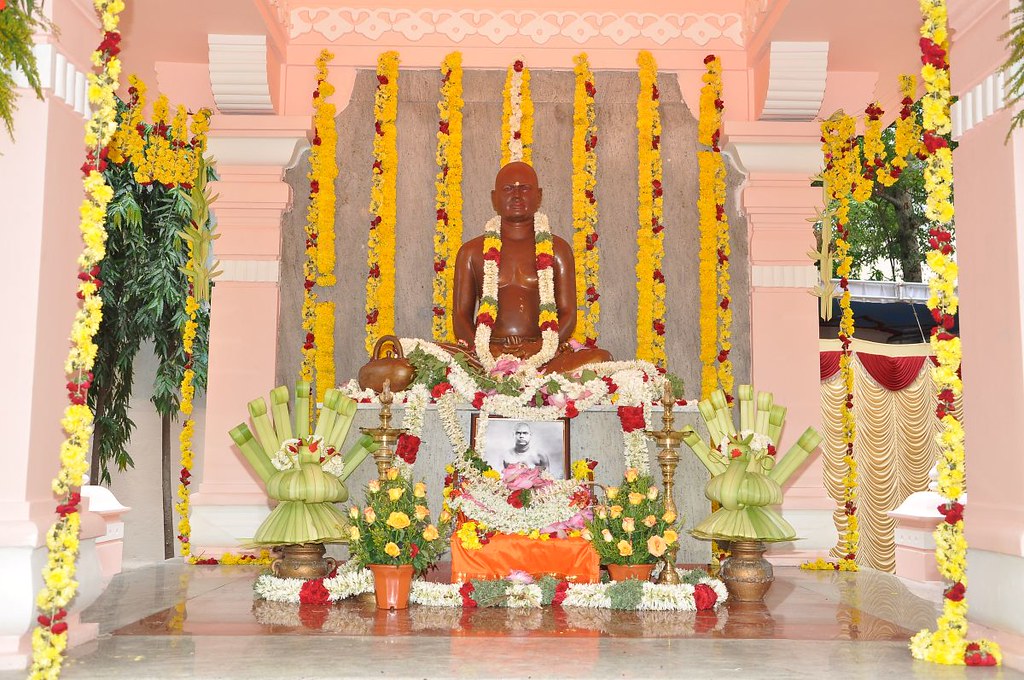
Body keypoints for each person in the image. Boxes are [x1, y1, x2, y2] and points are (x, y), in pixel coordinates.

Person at [451, 161, 612, 373]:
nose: (516, 195)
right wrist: (487, 351)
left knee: (600, 359)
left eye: (524, 188)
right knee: (432, 358)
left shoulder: (557, 249)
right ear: (494, 197)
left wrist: (537, 348)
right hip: (484, 354)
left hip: (543, 354)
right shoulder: (471, 252)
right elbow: (461, 316)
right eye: (508, 188)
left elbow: (568, 314)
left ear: (539, 196)